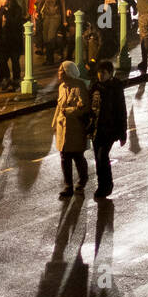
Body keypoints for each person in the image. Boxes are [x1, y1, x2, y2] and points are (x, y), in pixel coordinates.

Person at [51, 61, 91, 198]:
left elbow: (84, 108)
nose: (59, 74)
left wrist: (69, 111)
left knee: (77, 156)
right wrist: (54, 124)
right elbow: (58, 106)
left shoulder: (80, 86)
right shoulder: (62, 87)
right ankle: (68, 185)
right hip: (63, 128)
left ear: (68, 72)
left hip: (76, 128)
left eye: (61, 71)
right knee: (64, 157)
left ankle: (83, 179)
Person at [89, 60, 126, 199]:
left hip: (109, 130)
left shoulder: (115, 88)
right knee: (98, 159)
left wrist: (122, 133)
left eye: (103, 72)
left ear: (110, 73)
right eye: (99, 72)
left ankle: (107, 185)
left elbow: (121, 110)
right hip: (96, 129)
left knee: (102, 156)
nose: (100, 75)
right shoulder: (95, 87)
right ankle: (102, 185)